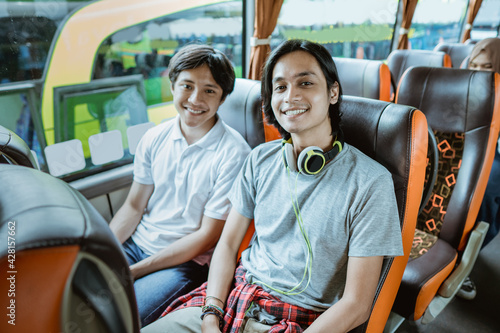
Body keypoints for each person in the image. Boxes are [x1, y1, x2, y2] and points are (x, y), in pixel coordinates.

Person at [143, 39, 403, 332]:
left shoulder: (370, 182)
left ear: (333, 92)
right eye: (280, 87)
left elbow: (356, 304)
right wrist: (211, 316)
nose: (290, 96)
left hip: (294, 321)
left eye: (305, 83)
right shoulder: (259, 160)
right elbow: (227, 246)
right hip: (230, 301)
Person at [109, 44, 251, 326]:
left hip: (184, 263)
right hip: (137, 245)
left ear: (222, 98)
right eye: (187, 86)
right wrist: (106, 249)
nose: (196, 99)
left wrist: (133, 271)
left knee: (121, 317)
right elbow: (134, 206)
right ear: (172, 86)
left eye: (209, 90)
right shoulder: (154, 136)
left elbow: (207, 236)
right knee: (74, 286)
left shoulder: (235, 154)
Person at [457, 37, 500, 301]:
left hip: (494, 155)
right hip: (462, 148)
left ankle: (464, 261)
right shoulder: (460, 87)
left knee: (488, 185)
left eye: (484, 67)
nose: (476, 73)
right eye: (473, 65)